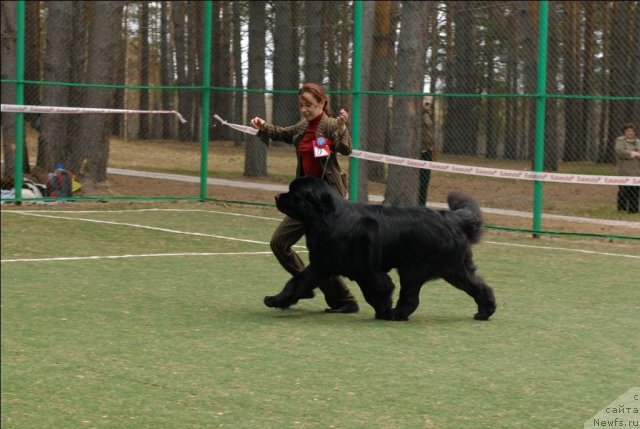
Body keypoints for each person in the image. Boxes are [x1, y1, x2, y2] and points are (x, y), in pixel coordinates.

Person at [250, 82, 359, 313]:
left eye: (309, 105)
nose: (304, 109)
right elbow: (283, 133)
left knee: (321, 255)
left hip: (327, 202)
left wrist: (341, 128)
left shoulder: (330, 124)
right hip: (305, 202)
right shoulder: (304, 126)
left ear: (322, 103)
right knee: (279, 243)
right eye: (301, 105)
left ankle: (344, 301)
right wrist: (263, 126)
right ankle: (305, 283)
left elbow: (346, 149)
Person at [614, 123, 640, 214]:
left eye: (632, 131)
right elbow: (620, 151)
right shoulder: (620, 140)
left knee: (635, 191)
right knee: (624, 190)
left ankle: (633, 209)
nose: (630, 133)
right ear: (624, 132)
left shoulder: (638, 141)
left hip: (637, 171)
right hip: (624, 170)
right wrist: (634, 154)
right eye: (628, 131)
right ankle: (622, 208)